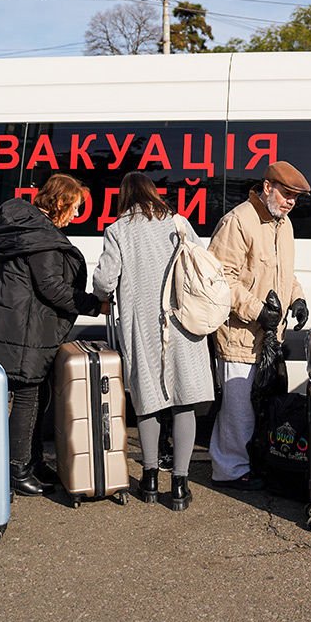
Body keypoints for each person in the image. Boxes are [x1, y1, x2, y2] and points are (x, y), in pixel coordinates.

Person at [0, 174, 102, 497]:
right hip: (24, 329)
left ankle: (32, 461)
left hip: (13, 324)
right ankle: (18, 468)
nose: (75, 215)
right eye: (74, 207)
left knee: (36, 395)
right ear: (60, 203)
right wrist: (96, 305)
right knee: (28, 397)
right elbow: (53, 288)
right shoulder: (41, 238)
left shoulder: (25, 230)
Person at [93, 172, 215, 511]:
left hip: (141, 326)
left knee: (147, 400)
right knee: (184, 401)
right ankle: (179, 484)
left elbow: (105, 280)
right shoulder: (178, 224)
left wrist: (102, 295)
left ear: (124, 198)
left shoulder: (118, 231)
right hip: (183, 323)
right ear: (152, 193)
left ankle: (148, 480)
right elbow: (201, 266)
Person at [207, 161, 310, 492]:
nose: (291, 202)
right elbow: (220, 278)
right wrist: (256, 311)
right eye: (287, 194)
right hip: (239, 334)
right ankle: (229, 470)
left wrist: (297, 298)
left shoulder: (284, 224)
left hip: (269, 336)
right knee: (238, 409)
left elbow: (285, 272)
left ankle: (254, 463)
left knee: (263, 407)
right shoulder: (238, 221)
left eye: (295, 197)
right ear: (268, 187)